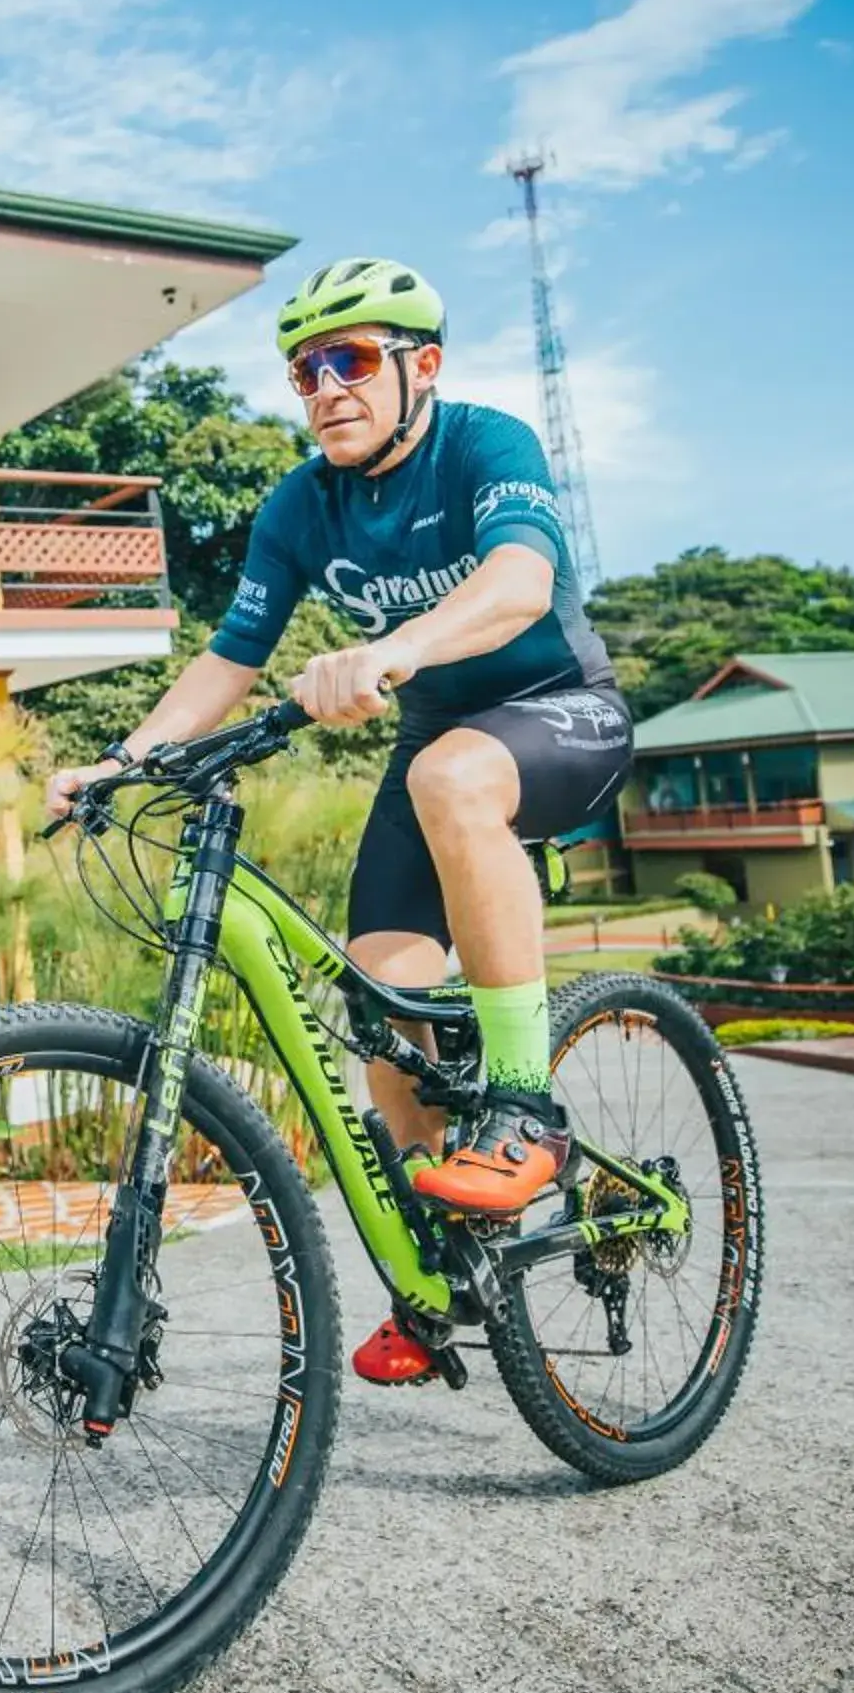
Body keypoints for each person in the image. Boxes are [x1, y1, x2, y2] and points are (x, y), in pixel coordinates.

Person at [44, 257, 632, 1387]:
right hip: (434, 746)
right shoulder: (300, 505)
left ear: (424, 367)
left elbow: (518, 582)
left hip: (561, 712)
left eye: (352, 359)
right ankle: (440, 1270)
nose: (326, 386)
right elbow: (227, 659)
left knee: (456, 777)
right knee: (379, 1005)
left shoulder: (486, 444)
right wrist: (120, 762)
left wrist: (397, 648)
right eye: (306, 368)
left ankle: (525, 1109)